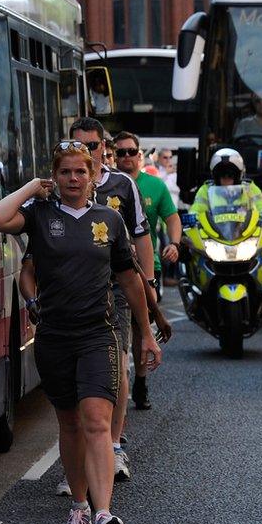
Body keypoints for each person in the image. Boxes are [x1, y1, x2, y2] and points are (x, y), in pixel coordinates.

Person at [0, 141, 162, 524]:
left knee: (97, 423)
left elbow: (129, 279)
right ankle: (79, 508)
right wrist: (32, 186)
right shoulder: (40, 214)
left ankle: (103, 515)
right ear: (55, 176)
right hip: (54, 337)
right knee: (70, 425)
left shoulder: (109, 220)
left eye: (80, 172)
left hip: (98, 335)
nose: (72, 179)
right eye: (64, 172)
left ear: (92, 174)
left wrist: (147, 332)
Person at [70, 117, 154, 483]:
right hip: (73, 294)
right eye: (79, 146)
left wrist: (147, 284)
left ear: (104, 147)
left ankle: (114, 446)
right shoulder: (63, 183)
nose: (86, 153)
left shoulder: (123, 185)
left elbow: (141, 238)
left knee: (116, 370)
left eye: (92, 146)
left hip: (115, 291)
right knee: (76, 378)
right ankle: (81, 458)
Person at [114, 131, 181, 410]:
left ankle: (139, 380)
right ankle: (121, 383)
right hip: (115, 273)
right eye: (121, 153)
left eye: (131, 152)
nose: (126, 157)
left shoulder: (154, 186)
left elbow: (172, 217)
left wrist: (175, 243)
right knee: (120, 335)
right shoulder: (106, 185)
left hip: (145, 270)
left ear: (139, 155)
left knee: (142, 328)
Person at [190, 148, 262, 215]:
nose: (226, 177)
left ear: (238, 175)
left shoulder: (250, 188)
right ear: (216, 176)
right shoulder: (206, 190)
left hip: (246, 232)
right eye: (222, 174)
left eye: (230, 175)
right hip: (212, 232)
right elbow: (196, 209)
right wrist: (193, 216)